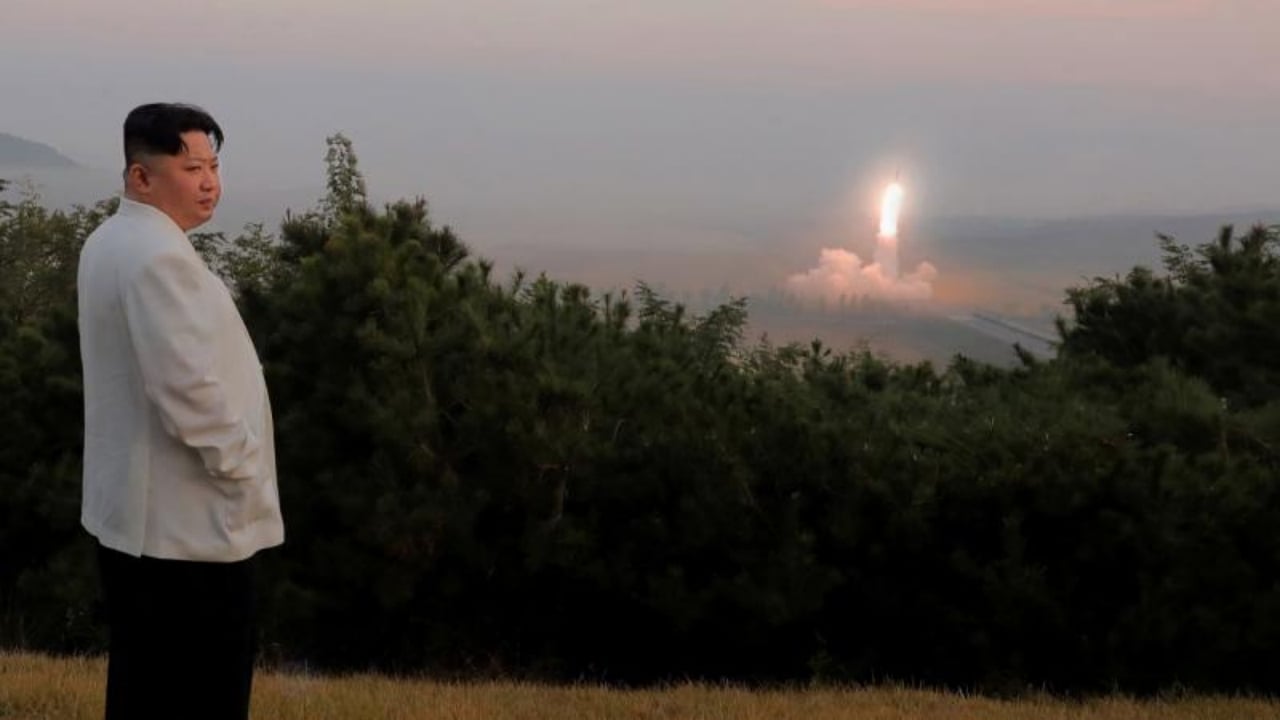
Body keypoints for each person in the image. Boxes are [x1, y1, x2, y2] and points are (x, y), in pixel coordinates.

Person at [77, 103, 284, 720]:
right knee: (202, 692)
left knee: (146, 685)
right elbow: (189, 392)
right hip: (185, 530)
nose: (209, 182)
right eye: (192, 166)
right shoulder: (157, 257)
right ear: (140, 177)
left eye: (214, 165)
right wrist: (243, 467)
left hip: (140, 522)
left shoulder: (111, 240)